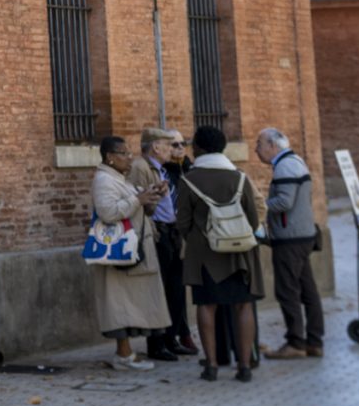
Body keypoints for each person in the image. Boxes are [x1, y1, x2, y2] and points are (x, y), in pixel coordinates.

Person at [178, 123, 265, 382]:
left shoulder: (189, 180)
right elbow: (252, 219)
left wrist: (197, 238)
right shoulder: (239, 177)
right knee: (243, 305)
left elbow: (182, 221)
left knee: (206, 305)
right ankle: (245, 365)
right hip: (240, 252)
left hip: (205, 253)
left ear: (199, 148)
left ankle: (212, 365)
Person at [90, 134, 170, 370]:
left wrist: (154, 193)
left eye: (129, 152)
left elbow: (141, 205)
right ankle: (123, 355)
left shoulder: (120, 178)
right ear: (110, 157)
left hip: (135, 250)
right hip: (119, 253)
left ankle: (126, 354)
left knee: (131, 303)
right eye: (124, 153)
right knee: (119, 305)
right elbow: (108, 212)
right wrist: (138, 199)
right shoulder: (104, 180)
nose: (129, 157)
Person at [129, 126, 196, 361]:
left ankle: (171, 337)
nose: (172, 150)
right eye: (168, 145)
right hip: (158, 235)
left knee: (175, 290)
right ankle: (156, 343)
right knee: (160, 291)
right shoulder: (140, 168)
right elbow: (137, 204)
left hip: (173, 233)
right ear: (156, 147)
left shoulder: (160, 169)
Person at [258, 127, 325, 357]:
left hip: (290, 238)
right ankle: (314, 341)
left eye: (260, 145)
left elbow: (285, 202)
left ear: (272, 145)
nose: (258, 150)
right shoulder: (296, 161)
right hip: (303, 235)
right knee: (308, 290)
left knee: (287, 290)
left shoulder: (285, 166)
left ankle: (296, 343)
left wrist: (262, 206)